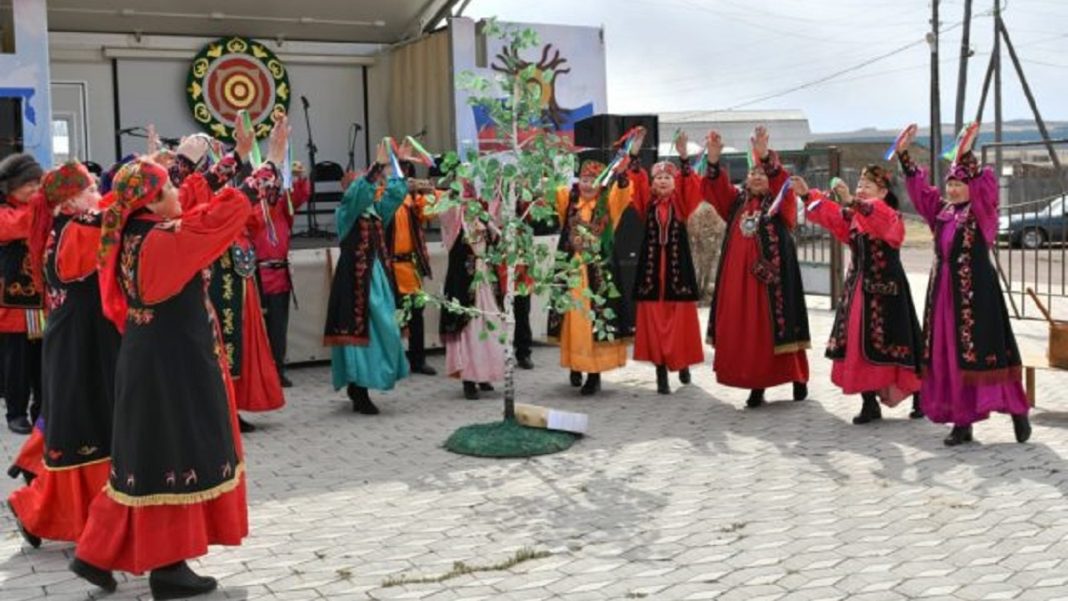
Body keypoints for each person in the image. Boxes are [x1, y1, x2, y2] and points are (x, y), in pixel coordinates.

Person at [70, 117, 287, 599]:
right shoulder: (164, 241)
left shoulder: (135, 231)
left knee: (141, 459)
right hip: (172, 366)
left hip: (151, 360)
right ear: (148, 200)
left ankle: (95, 552)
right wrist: (270, 163)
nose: (177, 190)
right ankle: (168, 569)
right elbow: (217, 218)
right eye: (167, 184)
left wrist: (232, 157)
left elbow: (192, 200)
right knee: (173, 456)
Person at [896, 125, 1031, 446]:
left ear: (971, 185)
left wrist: (965, 153)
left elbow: (986, 186)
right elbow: (920, 192)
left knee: (988, 354)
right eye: (950, 184)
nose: (953, 189)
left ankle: (1017, 410)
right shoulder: (942, 213)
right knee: (949, 355)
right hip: (944, 294)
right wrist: (904, 155)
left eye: (959, 184)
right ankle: (962, 422)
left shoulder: (981, 214)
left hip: (976, 296)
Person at [8, 161, 120, 547]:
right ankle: (35, 509)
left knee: (85, 430)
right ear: (70, 199)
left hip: (82, 340)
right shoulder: (76, 230)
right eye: (89, 188)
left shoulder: (69, 225)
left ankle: (82, 516)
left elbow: (110, 207)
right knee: (80, 434)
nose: (96, 193)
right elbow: (118, 211)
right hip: (78, 346)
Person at [791, 169, 924, 424]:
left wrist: (853, 200)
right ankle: (868, 402)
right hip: (858, 288)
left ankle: (919, 393)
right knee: (855, 342)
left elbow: (881, 222)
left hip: (887, 291)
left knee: (900, 340)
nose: (861, 189)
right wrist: (807, 194)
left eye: (868, 186)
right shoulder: (853, 216)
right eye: (860, 185)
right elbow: (830, 214)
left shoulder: (890, 215)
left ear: (883, 193)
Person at [702, 127, 810, 407]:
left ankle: (798, 377)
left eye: (763, 173)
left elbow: (782, 182)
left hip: (771, 281)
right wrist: (713, 160)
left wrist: (764, 156)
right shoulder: (737, 201)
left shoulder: (779, 202)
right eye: (754, 173)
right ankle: (756, 382)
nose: (758, 176)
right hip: (738, 281)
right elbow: (714, 190)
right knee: (748, 332)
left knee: (773, 328)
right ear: (746, 179)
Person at [323, 140, 413, 414]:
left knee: (385, 327)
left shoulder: (376, 212)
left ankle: (370, 380)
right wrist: (378, 165)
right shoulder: (346, 212)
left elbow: (396, 194)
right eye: (360, 180)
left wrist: (397, 166)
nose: (368, 183)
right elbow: (361, 193)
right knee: (357, 333)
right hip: (355, 281)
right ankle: (358, 388)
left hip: (377, 278)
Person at [547, 158, 634, 395]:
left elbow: (623, 193)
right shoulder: (570, 202)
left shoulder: (607, 205)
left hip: (597, 271)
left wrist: (623, 172)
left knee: (593, 322)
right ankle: (575, 366)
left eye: (593, 181)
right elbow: (554, 190)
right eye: (584, 179)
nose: (587, 185)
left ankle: (593, 374)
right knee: (572, 319)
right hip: (572, 270)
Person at [628, 130, 705, 394]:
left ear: (674, 182)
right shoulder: (646, 204)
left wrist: (684, 155)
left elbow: (691, 185)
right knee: (653, 319)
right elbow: (634, 182)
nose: (662, 180)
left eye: (667, 177)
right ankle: (661, 369)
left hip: (676, 273)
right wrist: (634, 153)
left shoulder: (681, 205)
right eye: (658, 177)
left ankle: (681, 363)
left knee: (680, 319)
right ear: (652, 183)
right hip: (651, 273)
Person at [438, 179, 506, 400]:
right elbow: (444, 209)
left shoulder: (485, 222)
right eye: (465, 201)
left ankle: (484, 374)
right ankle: (469, 379)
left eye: (473, 200)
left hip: (485, 283)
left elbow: (499, 219)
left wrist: (500, 188)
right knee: (468, 332)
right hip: (463, 285)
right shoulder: (455, 225)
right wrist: (453, 191)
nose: (470, 206)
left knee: (489, 326)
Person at [255, 160, 310, 388]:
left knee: (278, 327)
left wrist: (299, 178)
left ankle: (278, 370)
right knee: (258, 329)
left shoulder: (281, 207)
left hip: (279, 274)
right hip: (257, 273)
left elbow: (299, 196)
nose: (273, 188)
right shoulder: (253, 207)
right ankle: (260, 374)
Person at [0, 153, 45, 434]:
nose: (34, 188)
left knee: (41, 357)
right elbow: (18, 225)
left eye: (37, 182)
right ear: (11, 186)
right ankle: (15, 412)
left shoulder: (37, 209)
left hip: (38, 299)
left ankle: (41, 410)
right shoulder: (6, 211)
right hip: (12, 301)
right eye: (28, 183)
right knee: (15, 359)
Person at [387, 162, 437, 376]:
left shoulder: (412, 199)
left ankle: (418, 359)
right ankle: (393, 362)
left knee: (417, 314)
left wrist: (427, 191)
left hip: (411, 265)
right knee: (393, 316)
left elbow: (429, 213)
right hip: (391, 266)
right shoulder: (385, 197)